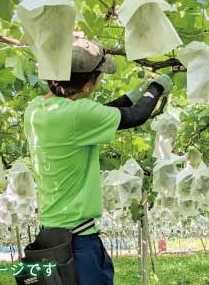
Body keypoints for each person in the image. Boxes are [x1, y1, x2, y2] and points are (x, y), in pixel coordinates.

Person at [23, 36, 172, 285]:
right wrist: (156, 88)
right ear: (89, 83)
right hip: (78, 242)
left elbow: (97, 114)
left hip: (51, 237)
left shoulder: (36, 109)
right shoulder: (78, 114)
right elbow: (135, 117)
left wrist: (134, 94)